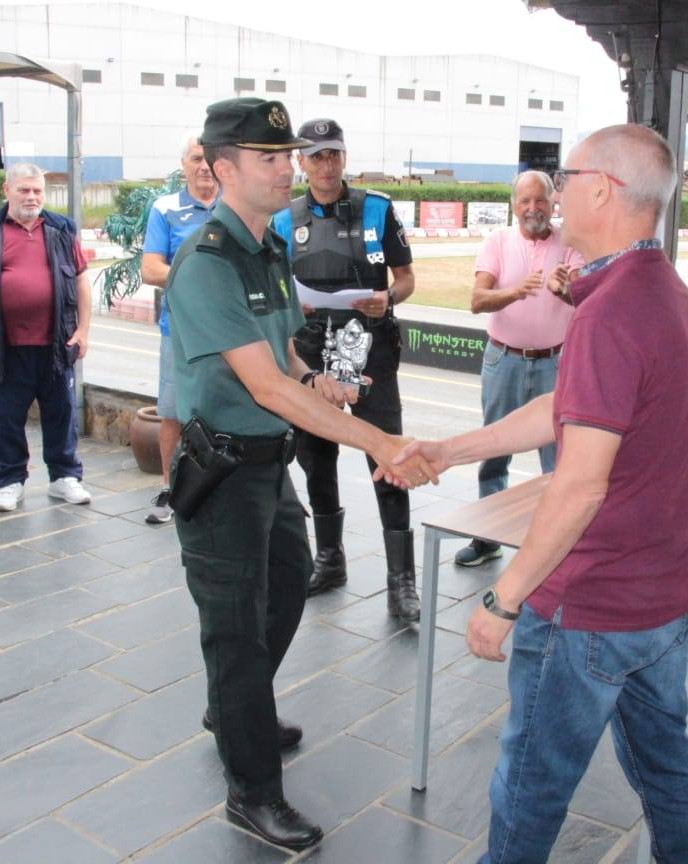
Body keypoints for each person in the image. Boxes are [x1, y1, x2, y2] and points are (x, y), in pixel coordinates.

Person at [392, 125, 688, 863]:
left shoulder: (610, 313)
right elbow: (569, 408)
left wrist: (505, 598)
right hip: (660, 600)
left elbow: (577, 486)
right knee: (667, 773)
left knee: (530, 793)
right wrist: (448, 450)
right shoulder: (662, 294)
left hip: (592, 609)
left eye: (566, 177)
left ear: (601, 188)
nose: (558, 192)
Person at [164, 97, 434, 851]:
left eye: (288, 157)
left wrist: (324, 381)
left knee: (285, 586)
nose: (287, 170)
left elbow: (285, 362)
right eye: (269, 158)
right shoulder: (208, 263)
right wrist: (377, 443)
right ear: (222, 170)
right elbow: (264, 388)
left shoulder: (266, 251)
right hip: (221, 476)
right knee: (235, 631)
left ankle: (234, 707)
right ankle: (250, 792)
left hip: (268, 468)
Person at [271, 117, 420, 619]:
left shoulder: (377, 209)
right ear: (301, 162)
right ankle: (330, 559)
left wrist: (387, 297)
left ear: (344, 157)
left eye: (333, 154)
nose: (326, 164)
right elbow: (275, 288)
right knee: (316, 457)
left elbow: (406, 279)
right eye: (315, 156)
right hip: (312, 355)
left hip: (371, 353)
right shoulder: (283, 219)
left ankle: (402, 580)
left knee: (388, 459)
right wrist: (296, 305)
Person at [454, 170, 584, 567]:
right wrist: (517, 290)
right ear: (514, 206)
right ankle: (488, 537)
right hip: (504, 359)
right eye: (525, 201)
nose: (533, 209)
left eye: (541, 201)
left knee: (558, 455)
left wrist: (565, 290)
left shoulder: (570, 242)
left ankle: (557, 544)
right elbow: (477, 301)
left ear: (552, 204)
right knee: (495, 448)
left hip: (554, 363)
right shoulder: (498, 241)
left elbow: (584, 297)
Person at [0, 163, 93, 512]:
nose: (32, 197)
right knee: (4, 417)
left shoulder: (62, 229)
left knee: (61, 413)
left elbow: (80, 280)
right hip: (5, 346)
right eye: (24, 190)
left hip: (56, 343)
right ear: (7, 190)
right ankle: (10, 480)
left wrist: (83, 329)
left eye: (37, 191)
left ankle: (64, 477)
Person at [140, 134, 218, 523]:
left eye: (209, 159)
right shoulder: (165, 208)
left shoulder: (236, 207)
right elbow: (151, 268)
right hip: (181, 332)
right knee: (172, 412)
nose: (204, 166)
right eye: (195, 159)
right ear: (184, 164)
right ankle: (170, 489)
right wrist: (196, 277)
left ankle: (218, 489)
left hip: (228, 332)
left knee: (222, 410)